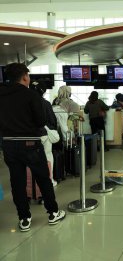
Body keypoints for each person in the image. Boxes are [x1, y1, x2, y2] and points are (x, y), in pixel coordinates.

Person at [0, 63, 65, 232]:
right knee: (43, 178)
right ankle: (53, 212)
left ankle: (24, 219)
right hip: (30, 142)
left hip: (8, 143)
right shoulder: (31, 95)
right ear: (24, 77)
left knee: (17, 181)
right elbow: (41, 121)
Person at [29, 80, 58, 187]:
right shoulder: (45, 103)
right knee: (47, 157)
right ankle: (49, 180)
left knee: (31, 160)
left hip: (29, 136)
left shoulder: (25, 103)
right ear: (43, 91)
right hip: (43, 135)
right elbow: (52, 121)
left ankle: (33, 184)